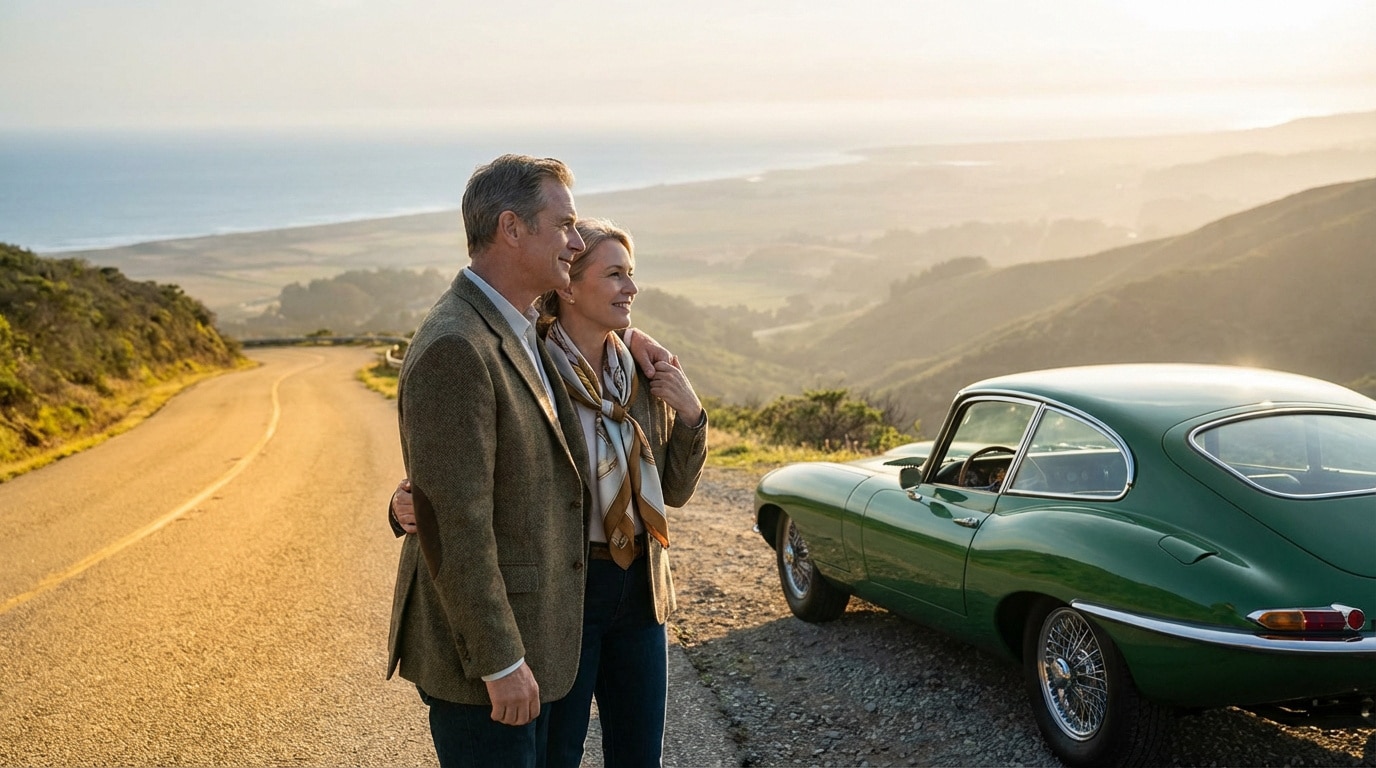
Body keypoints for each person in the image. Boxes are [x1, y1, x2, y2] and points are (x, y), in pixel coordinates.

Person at [392, 218, 708, 767]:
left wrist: (691, 415)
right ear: (567, 284)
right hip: (568, 588)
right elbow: (482, 476)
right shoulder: (529, 367)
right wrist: (409, 501)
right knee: (557, 752)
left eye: (630, 274)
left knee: (640, 757)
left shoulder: (642, 370)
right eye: (614, 274)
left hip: (640, 587)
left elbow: (672, 492)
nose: (631, 288)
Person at [388, 153, 591, 768]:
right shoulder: (457, 345)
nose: (576, 243)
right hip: (488, 672)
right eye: (563, 225)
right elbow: (456, 527)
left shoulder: (519, 328)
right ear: (511, 228)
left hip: (540, 650)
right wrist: (502, 662)